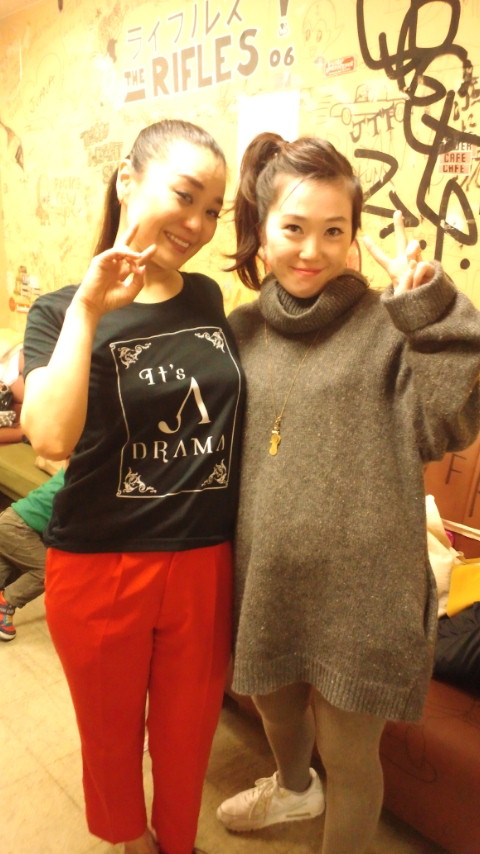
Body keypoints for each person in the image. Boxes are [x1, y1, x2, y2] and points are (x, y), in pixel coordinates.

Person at [215, 132, 480, 854]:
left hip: (364, 593)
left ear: (355, 235)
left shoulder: (390, 326)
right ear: (262, 230)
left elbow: (449, 424)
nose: (313, 250)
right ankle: (292, 789)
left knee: (350, 753)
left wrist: (426, 306)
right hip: (267, 578)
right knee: (273, 707)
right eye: (294, 228)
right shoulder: (239, 331)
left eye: (335, 231)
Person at [20, 120, 244, 854]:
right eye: (185, 195)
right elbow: (50, 438)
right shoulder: (60, 310)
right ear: (127, 180)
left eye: (212, 209)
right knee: (111, 739)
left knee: (188, 734)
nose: (198, 224)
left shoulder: (207, 297)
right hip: (101, 563)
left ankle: (177, 841)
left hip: (203, 558)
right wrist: (90, 309)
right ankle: (128, 839)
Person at [0, 467, 65, 640]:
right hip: (18, 528)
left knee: (10, 565)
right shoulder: (83, 488)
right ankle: (5, 604)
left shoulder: (71, 469)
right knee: (47, 571)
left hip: (10, 520)